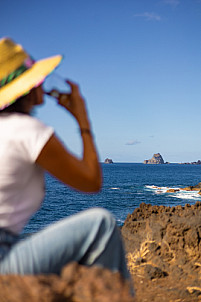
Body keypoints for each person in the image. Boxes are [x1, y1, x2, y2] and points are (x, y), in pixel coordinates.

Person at [0, 37, 132, 285]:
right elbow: (91, 182)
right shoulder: (27, 130)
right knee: (101, 224)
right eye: (38, 78)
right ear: (27, 87)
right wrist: (82, 118)